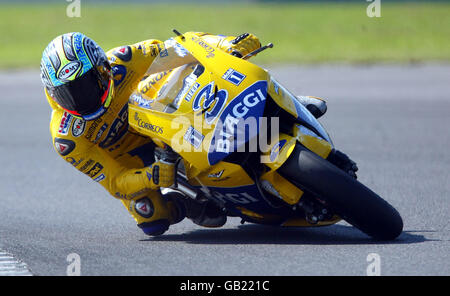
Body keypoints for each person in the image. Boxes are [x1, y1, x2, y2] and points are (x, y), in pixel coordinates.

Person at [40, 31, 328, 236]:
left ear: (102, 68)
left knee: (221, 75)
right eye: (68, 94)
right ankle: (191, 202)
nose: (80, 99)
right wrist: (150, 176)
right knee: (152, 220)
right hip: (130, 160)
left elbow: (183, 47)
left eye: (87, 84)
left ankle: (289, 102)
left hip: (155, 113)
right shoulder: (67, 139)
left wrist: (227, 44)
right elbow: (115, 182)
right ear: (53, 94)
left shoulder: (124, 61)